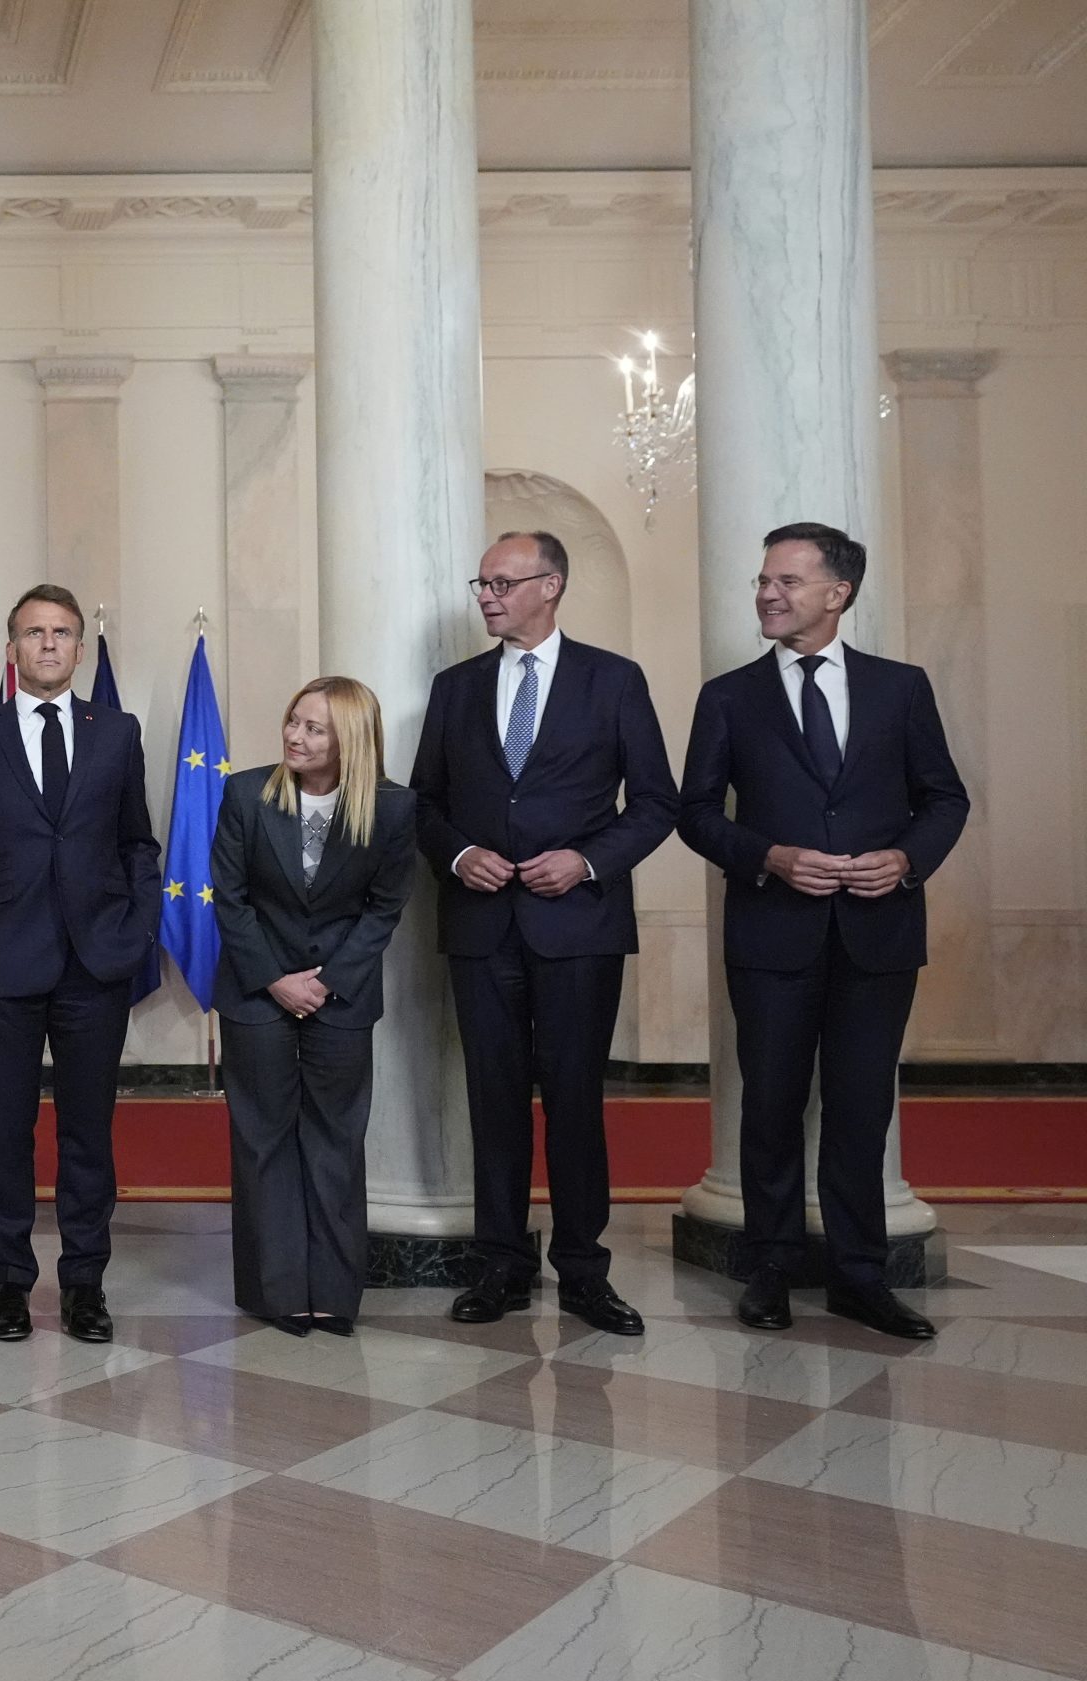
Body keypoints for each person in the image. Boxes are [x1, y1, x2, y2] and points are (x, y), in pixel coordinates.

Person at [680, 523, 968, 1341]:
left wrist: (905, 860)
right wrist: (767, 856)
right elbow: (695, 813)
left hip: (879, 934)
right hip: (772, 933)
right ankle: (769, 1268)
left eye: (787, 581)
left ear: (838, 593)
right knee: (770, 1105)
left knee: (860, 1109)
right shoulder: (728, 696)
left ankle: (859, 1275)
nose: (767, 593)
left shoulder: (901, 688)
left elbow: (945, 798)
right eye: (763, 580)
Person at [410, 531, 678, 1337]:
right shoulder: (456, 687)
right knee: (493, 1101)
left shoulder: (614, 679)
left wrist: (587, 861)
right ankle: (500, 1263)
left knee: (574, 1101)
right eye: (481, 583)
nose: (486, 596)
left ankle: (585, 1271)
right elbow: (423, 802)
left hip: (580, 927)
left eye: (501, 582)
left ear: (551, 585)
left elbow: (656, 802)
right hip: (482, 927)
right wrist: (460, 855)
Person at [0, 585, 159, 1343]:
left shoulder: (117, 732)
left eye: (62, 632)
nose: (50, 643)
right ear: (12, 648)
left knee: (88, 1134)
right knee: (6, 1133)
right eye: (34, 632)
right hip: (1, 968)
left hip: (96, 964)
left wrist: (136, 932)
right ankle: (9, 1282)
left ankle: (85, 1283)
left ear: (80, 648)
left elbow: (138, 843)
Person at [211, 678, 416, 1334]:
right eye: (292, 720)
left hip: (342, 996)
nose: (294, 736)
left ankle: (332, 1292)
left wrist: (328, 982)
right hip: (256, 992)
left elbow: (385, 907)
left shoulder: (393, 807)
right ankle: (276, 1291)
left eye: (313, 728)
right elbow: (230, 898)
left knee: (335, 1139)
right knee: (263, 1139)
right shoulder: (246, 793)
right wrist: (276, 979)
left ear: (349, 740)